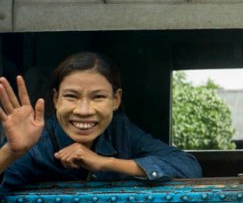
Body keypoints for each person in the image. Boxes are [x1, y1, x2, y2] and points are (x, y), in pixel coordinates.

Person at [0, 52, 202, 189]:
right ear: (55, 99)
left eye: (98, 97)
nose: (84, 110)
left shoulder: (120, 132)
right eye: (71, 96)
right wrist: (11, 152)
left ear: (116, 100)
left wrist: (105, 163)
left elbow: (187, 166)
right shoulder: (36, 143)